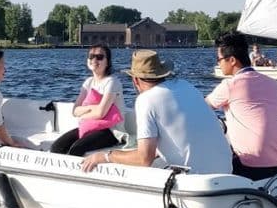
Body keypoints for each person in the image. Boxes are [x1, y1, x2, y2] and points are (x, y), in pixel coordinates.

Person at [81, 50, 231, 174]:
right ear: (163, 74)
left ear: (135, 81)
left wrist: (104, 157)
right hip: (227, 172)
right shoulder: (187, 86)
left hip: (197, 180)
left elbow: (144, 159)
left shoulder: (146, 100)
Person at [206, 32, 277, 180]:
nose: (218, 63)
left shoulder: (230, 85)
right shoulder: (273, 83)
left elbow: (202, 108)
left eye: (218, 59)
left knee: (207, 163)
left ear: (232, 60)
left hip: (250, 164)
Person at [50, 44, 127, 156]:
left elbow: (100, 113)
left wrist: (83, 113)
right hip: (89, 127)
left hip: (111, 131)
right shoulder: (88, 82)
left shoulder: (112, 82)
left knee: (77, 149)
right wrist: (92, 108)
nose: (94, 60)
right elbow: (75, 110)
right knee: (57, 147)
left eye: (100, 57)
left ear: (107, 62)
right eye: (91, 56)